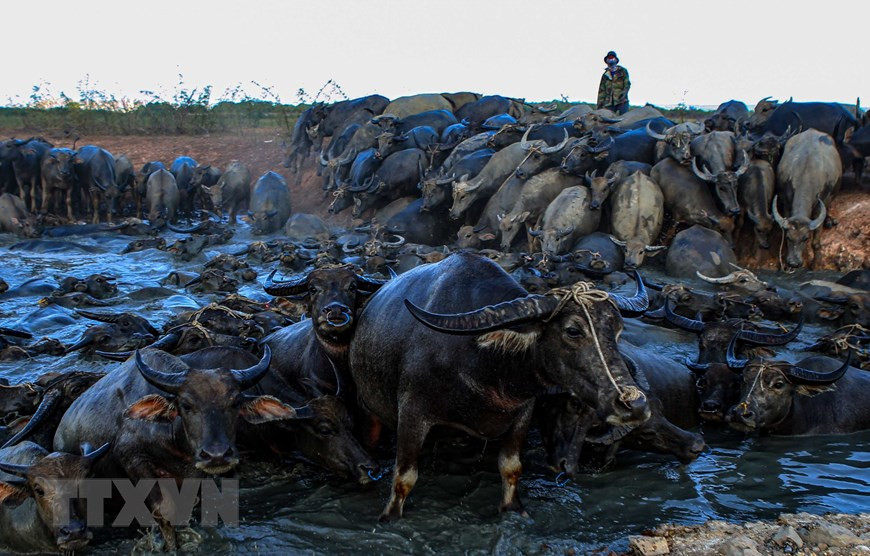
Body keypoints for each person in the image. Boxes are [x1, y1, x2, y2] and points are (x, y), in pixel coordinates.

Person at [597, 51, 630, 115]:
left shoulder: (622, 71)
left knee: (624, 118)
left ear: (616, 60)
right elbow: (601, 91)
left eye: (612, 57)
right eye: (609, 58)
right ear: (606, 61)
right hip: (608, 103)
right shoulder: (605, 75)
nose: (611, 59)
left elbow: (627, 84)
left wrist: (623, 95)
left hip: (621, 101)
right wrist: (599, 106)